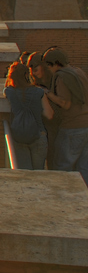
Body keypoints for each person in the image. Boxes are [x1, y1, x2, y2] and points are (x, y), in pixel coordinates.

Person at [42, 48, 88, 184]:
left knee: (63, 166)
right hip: (86, 125)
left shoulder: (62, 76)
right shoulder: (79, 72)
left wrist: (47, 93)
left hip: (72, 127)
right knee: (83, 167)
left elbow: (65, 103)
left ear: (54, 64)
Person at [4, 61, 49, 170]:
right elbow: (49, 114)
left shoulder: (9, 91)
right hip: (38, 134)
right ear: (27, 75)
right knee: (38, 172)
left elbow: (6, 88)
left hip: (19, 135)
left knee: (25, 173)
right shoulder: (39, 92)